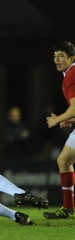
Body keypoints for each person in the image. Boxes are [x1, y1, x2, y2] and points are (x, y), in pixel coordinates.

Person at [44, 41, 75, 219]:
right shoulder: (69, 74)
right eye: (55, 57)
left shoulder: (71, 75)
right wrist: (69, 119)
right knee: (64, 160)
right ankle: (68, 208)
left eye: (61, 56)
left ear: (72, 58)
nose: (57, 60)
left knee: (64, 160)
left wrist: (58, 119)